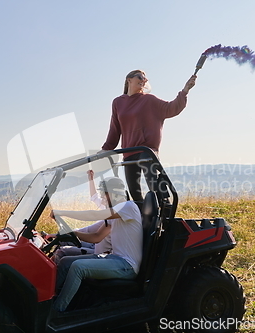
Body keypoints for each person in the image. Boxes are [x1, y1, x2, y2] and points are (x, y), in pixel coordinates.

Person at [101, 70, 197, 201]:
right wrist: (105, 150)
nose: (144, 80)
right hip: (128, 152)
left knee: (154, 186)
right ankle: (142, 219)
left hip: (147, 150)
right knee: (134, 193)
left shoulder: (149, 100)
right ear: (129, 79)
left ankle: (166, 211)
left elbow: (172, 108)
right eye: (140, 77)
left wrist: (185, 90)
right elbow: (115, 129)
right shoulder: (118, 102)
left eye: (145, 79)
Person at [50, 177, 142, 312]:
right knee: (64, 262)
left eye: (104, 194)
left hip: (126, 265)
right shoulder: (117, 214)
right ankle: (52, 299)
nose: (102, 198)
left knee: (78, 267)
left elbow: (94, 214)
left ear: (114, 194)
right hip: (114, 259)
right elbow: (96, 237)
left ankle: (57, 311)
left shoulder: (128, 207)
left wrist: (62, 212)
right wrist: (72, 234)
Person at [49, 170, 112, 264]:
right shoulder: (105, 207)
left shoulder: (110, 214)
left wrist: (67, 233)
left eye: (103, 195)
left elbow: (89, 229)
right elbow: (94, 197)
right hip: (96, 245)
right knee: (63, 241)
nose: (101, 197)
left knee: (62, 251)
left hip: (100, 250)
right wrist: (91, 179)